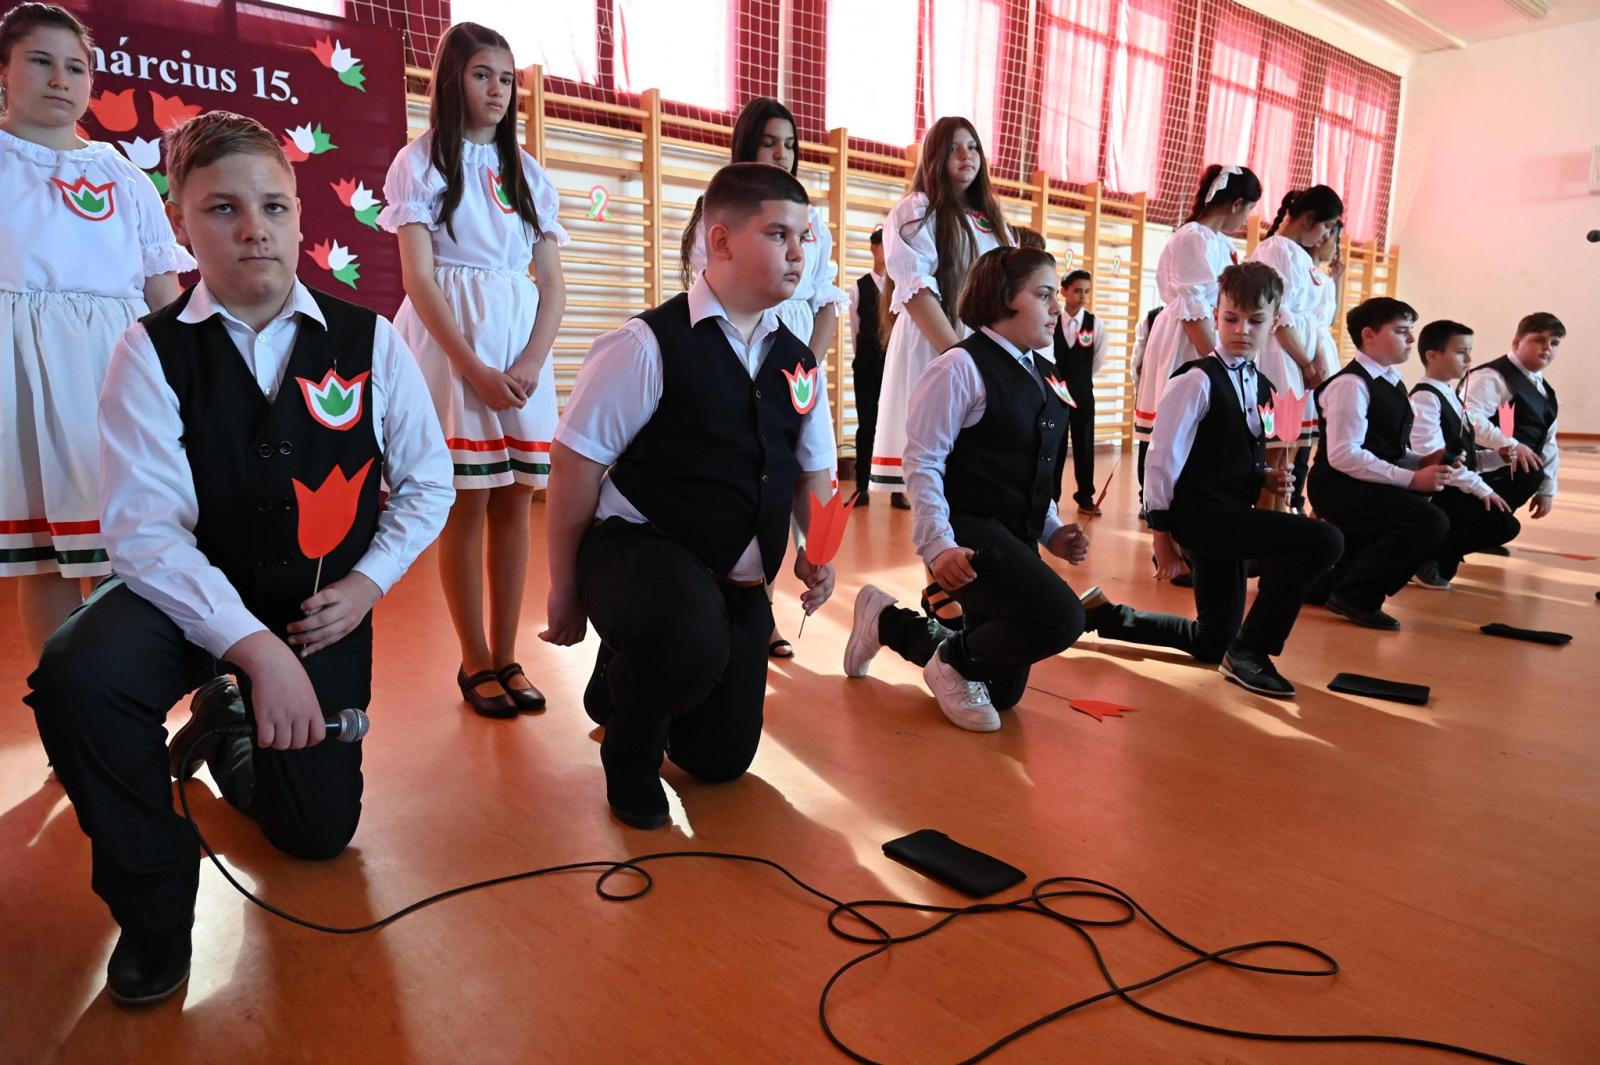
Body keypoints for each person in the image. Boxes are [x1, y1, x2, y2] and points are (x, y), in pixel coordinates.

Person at [25, 110, 453, 1007]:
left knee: (317, 836)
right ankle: (154, 908)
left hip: (317, 606)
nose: (253, 227)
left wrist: (365, 585)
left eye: (273, 206)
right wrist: (254, 649)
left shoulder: (371, 339)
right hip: (187, 599)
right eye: (222, 208)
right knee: (80, 676)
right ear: (180, 224)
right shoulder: (148, 350)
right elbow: (145, 533)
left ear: (299, 215)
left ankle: (228, 727)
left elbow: (427, 484)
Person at [541, 163, 836, 829]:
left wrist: (818, 550)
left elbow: (812, 473)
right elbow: (574, 465)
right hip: (640, 549)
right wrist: (566, 589)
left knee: (718, 759)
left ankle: (623, 671)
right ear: (721, 241)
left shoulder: (798, 361)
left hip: (734, 580)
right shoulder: (646, 344)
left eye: (804, 238)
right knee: (684, 643)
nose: (798, 253)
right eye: (779, 235)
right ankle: (630, 757)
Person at [380, 22, 567, 716]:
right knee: (467, 500)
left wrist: (529, 360)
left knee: (516, 498)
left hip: (519, 349)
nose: (497, 89)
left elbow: (553, 282)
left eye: (507, 77)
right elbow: (419, 278)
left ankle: (508, 653)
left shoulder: (530, 173)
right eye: (483, 74)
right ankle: (473, 657)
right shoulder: (420, 162)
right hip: (453, 346)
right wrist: (475, 367)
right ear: (453, 79)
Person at [0, 2, 191, 658]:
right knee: (46, 557)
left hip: (116, 371)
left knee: (135, 549)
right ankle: (61, 702)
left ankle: (148, 696)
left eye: (76, 67)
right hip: (22, 379)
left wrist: (187, 378)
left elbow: (162, 292)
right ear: (5, 71)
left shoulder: (122, 175)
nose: (61, 79)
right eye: (41, 61)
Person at [843, 246, 1089, 732]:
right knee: (1063, 617)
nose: (1057, 306)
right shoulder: (959, 367)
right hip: (971, 538)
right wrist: (938, 546)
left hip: (1015, 536)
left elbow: (1035, 466)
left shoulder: (1044, 371)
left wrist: (1052, 531)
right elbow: (923, 463)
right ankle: (951, 662)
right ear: (1004, 298)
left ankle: (885, 621)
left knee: (1002, 692)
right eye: (1044, 295)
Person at [1076, 263, 1343, 698]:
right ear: (1216, 316)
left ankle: (1102, 615)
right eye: (1231, 318)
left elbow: (1234, 450)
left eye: (1255, 321)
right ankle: (1252, 651)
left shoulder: (1262, 384)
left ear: (1275, 322)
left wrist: (1266, 476)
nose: (1241, 330)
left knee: (1212, 641)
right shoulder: (1196, 379)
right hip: (1199, 518)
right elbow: (1161, 461)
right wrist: (1161, 539)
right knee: (1323, 540)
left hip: (1231, 517)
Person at [679, 96, 846, 658]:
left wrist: (805, 368)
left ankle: (781, 591)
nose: (782, 153)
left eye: (790, 144)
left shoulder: (813, 222)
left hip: (793, 362)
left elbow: (826, 301)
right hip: (743, 349)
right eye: (769, 142)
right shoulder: (721, 210)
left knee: (797, 474)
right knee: (750, 477)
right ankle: (752, 604)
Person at [868, 116, 1011, 504]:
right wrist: (961, 357)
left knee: (975, 478)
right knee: (933, 478)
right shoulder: (917, 209)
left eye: (973, 146)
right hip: (936, 341)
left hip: (980, 349)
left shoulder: (992, 221)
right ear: (935, 156)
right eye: (954, 148)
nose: (966, 155)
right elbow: (916, 291)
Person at [1306, 297, 1449, 630]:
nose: (1411, 339)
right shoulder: (1351, 385)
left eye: (1410, 330)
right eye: (1401, 331)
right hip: (1338, 485)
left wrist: (1421, 462)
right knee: (1429, 521)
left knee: (1427, 511)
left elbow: (1384, 447)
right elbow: (1344, 454)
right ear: (1369, 335)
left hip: (1361, 481)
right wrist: (1411, 479)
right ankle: (1357, 596)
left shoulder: (1390, 380)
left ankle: (1330, 586)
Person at [1133, 165, 1260, 486]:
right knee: (1176, 423)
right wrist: (1219, 365)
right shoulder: (1192, 237)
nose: (1246, 218)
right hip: (1187, 338)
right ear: (1236, 204)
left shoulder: (1220, 242)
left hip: (1208, 336)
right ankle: (1159, 499)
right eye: (1249, 210)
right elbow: (1194, 309)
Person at [1249, 185, 1344, 507]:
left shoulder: (1300, 255)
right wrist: (1306, 362)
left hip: (1298, 358)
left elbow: (1312, 320)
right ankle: (1267, 523)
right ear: (1308, 218)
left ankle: (1280, 519)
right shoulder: (1276, 249)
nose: (1326, 235)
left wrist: (1315, 360)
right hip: (1281, 358)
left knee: (1287, 455)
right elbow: (1280, 316)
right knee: (1274, 453)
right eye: (1326, 226)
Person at [1407, 320, 1518, 589]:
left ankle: (1434, 555)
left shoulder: (1449, 394)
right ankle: (1422, 555)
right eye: (1460, 352)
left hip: (1453, 484)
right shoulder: (1425, 398)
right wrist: (1481, 489)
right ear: (1432, 355)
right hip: (1436, 491)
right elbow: (1432, 458)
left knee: (1504, 522)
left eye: (1469, 351)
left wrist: (1497, 457)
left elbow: (1465, 455)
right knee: (1502, 524)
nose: (1469, 359)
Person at [1464, 312, 1564, 520]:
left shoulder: (1545, 389)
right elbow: (1469, 418)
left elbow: (1548, 441)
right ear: (1517, 342)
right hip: (1483, 472)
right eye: (1539, 340)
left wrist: (1547, 489)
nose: (1547, 347)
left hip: (1518, 475)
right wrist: (1511, 445)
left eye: (1554, 343)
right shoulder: (1491, 376)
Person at [1053, 269, 1106, 515]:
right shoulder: (1052, 320)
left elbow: (1097, 360)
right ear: (1064, 291)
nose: (1083, 296)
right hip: (1056, 393)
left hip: (1083, 393)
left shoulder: (1095, 324)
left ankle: (1085, 497)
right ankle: (1051, 498)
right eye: (1077, 291)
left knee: (1084, 445)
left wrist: (1080, 381)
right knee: (1055, 446)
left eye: (1087, 291)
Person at [848, 228, 887, 502]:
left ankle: (897, 490)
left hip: (893, 364)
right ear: (873, 248)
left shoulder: (900, 288)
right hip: (866, 364)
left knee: (896, 425)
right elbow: (855, 329)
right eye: (882, 245)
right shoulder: (859, 287)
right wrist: (863, 356)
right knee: (866, 424)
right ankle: (862, 486)